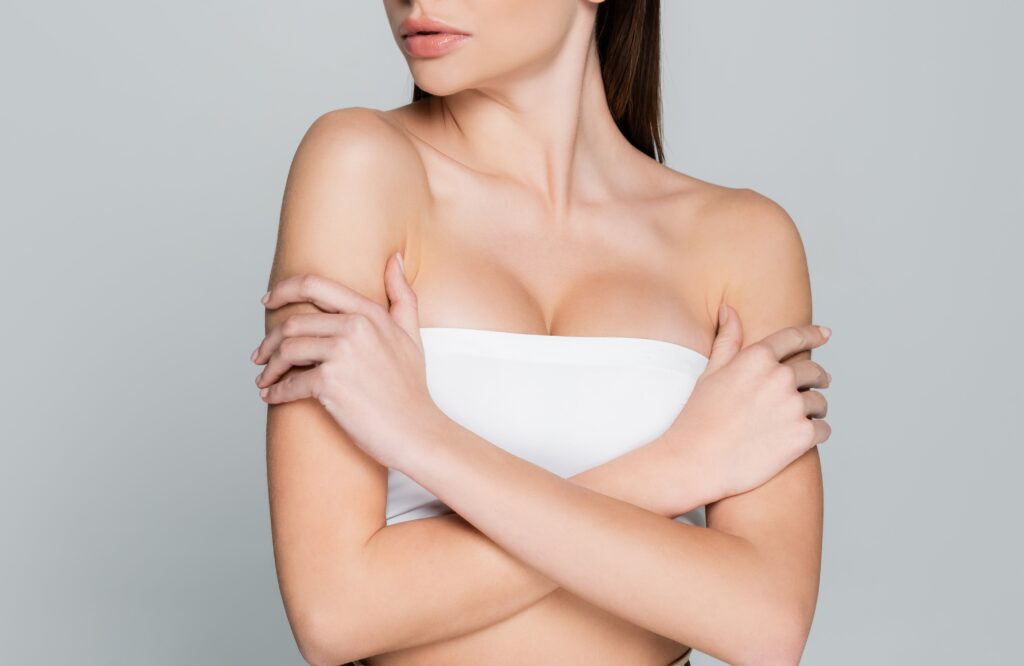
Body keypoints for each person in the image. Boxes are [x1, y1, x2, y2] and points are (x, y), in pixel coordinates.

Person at [253, 1, 833, 664]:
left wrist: (422, 438)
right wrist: (673, 470)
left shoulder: (743, 240)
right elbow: (335, 613)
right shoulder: (359, 166)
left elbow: (766, 625)